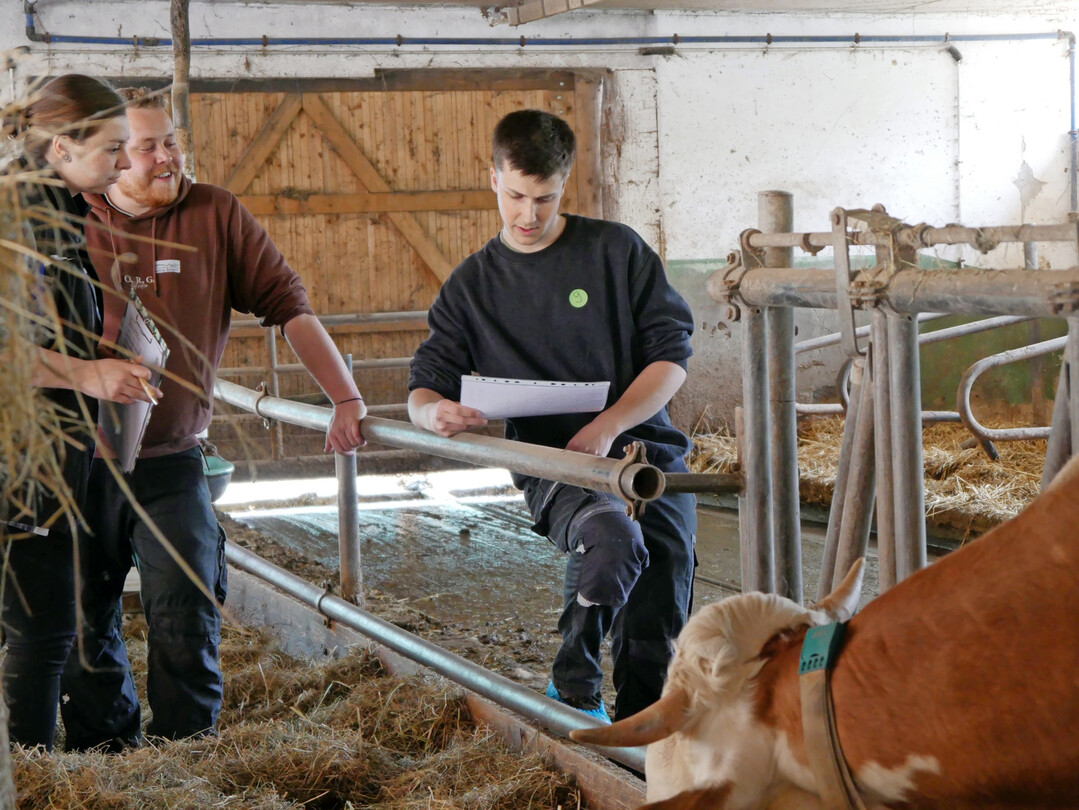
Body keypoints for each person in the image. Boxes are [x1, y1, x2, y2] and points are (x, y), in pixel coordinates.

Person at [59, 87, 366, 751]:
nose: (168, 157)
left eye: (171, 141)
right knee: (83, 615)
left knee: (184, 606)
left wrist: (344, 397)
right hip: (78, 460)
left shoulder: (214, 213)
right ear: (112, 159)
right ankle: (106, 752)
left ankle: (186, 750)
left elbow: (288, 304)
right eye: (148, 147)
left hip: (170, 458)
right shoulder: (66, 218)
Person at [408, 109, 696, 723]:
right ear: (493, 179)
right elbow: (423, 386)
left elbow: (670, 358)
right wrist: (435, 415)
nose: (528, 216)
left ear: (565, 184)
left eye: (544, 198)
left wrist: (610, 424)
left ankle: (642, 750)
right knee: (611, 540)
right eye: (515, 196)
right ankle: (573, 693)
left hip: (648, 453)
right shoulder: (474, 285)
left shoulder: (616, 252)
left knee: (658, 624)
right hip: (554, 464)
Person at [1, 74, 158, 750]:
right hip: (18, 460)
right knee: (41, 629)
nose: (124, 164)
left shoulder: (58, 215)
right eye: (112, 149)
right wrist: (89, 373)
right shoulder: (16, 223)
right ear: (62, 145)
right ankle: (27, 775)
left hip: (51, 456)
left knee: (46, 625)